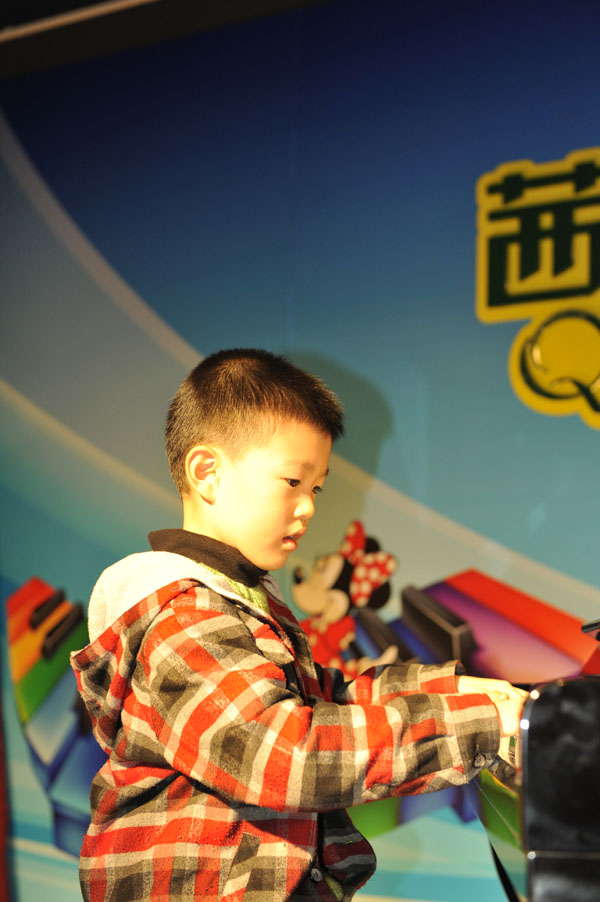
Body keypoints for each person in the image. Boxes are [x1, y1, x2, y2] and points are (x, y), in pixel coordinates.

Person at [71, 348, 526, 902]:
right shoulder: (182, 616)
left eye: (316, 488)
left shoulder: (243, 597)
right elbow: (285, 754)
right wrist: (479, 726)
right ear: (207, 473)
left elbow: (322, 698)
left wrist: (453, 692)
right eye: (292, 481)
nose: (309, 507)